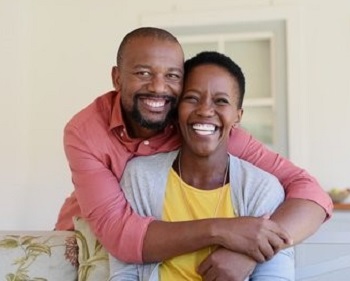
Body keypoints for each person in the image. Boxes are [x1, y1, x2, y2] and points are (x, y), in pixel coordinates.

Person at [55, 27, 332, 278]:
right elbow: (121, 236)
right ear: (117, 77)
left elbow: (311, 194)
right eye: (143, 73)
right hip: (84, 243)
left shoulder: (204, 130)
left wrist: (252, 248)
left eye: (172, 76)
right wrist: (223, 230)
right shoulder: (85, 132)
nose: (159, 87)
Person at [108, 51, 295, 281]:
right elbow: (124, 272)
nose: (205, 110)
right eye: (192, 98)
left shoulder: (261, 189)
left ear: (238, 116)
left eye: (221, 101)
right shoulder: (140, 177)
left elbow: (276, 276)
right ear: (176, 110)